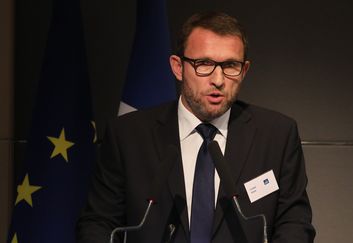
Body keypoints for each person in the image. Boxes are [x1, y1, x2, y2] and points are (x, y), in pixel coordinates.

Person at [77, 12, 315, 243]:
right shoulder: (128, 136)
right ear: (178, 67)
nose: (218, 80)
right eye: (204, 64)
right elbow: (98, 223)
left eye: (230, 65)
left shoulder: (276, 135)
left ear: (244, 71)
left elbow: (295, 224)